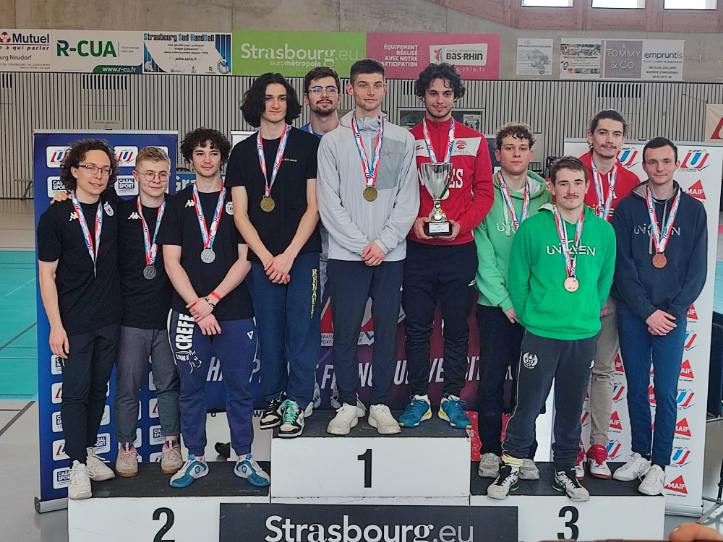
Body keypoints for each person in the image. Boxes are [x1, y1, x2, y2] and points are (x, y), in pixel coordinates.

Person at [487, 156, 615, 502]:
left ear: (587, 187)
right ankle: (511, 464)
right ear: (552, 188)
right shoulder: (533, 227)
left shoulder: (603, 231)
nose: (571, 190)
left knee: (572, 407)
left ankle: (563, 469)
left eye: (577, 183)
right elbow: (518, 277)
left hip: (582, 333)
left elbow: (603, 282)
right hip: (542, 332)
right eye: (563, 183)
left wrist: (587, 310)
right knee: (527, 404)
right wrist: (533, 316)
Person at [158, 128, 269, 488]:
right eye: (200, 153)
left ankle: (244, 456)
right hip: (188, 312)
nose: (207, 159)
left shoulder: (238, 202)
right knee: (191, 389)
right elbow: (171, 261)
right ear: (190, 159)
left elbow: (245, 260)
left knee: (239, 388)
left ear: (223, 158)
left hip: (234, 309)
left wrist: (212, 301)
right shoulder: (175, 203)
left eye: (213, 153)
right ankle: (194, 457)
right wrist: (196, 306)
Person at [317, 58, 418, 435]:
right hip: (348, 255)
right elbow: (329, 203)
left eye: (376, 85)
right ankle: (347, 401)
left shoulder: (402, 139)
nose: (370, 92)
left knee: (387, 333)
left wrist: (384, 243)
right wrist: (363, 246)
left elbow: (408, 201)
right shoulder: (333, 142)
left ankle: (379, 403)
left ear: (385, 88)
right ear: (351, 90)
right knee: (345, 331)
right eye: (362, 85)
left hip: (391, 256)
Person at [398, 62, 493, 430]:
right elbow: (395, 193)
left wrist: (460, 224)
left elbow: (484, 193)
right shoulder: (406, 140)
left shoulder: (474, 140)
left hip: (459, 249)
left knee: (456, 328)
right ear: (423, 95)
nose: (440, 100)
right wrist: (412, 224)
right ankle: (419, 397)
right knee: (418, 328)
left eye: (447, 93)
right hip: (417, 250)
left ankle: (452, 396)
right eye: (433, 92)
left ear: (456, 96)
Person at [226, 73, 321, 438]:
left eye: (282, 98)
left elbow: (313, 208)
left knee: (301, 331)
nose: (276, 104)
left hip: (302, 256)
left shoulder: (306, 145)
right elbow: (241, 213)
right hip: (261, 260)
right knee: (269, 331)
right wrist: (267, 258)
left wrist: (288, 256)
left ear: (291, 104)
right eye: (268, 98)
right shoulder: (242, 153)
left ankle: (297, 400)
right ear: (257, 103)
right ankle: (273, 397)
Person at [611, 137, 707, 496]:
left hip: (672, 315)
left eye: (666, 161)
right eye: (653, 162)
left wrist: (671, 312)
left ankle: (660, 465)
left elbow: (696, 272)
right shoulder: (627, 209)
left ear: (677, 164)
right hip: (636, 314)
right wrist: (646, 311)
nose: (660, 168)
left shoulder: (694, 211)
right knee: (636, 387)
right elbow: (623, 266)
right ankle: (639, 452)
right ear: (645, 166)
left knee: (666, 392)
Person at [37, 139, 120, 499]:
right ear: (73, 170)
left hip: (109, 320)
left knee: (99, 389)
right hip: (74, 323)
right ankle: (75, 466)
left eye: (105, 169)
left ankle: (87, 452)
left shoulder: (115, 207)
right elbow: (46, 275)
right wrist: (56, 325)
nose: (99, 175)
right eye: (91, 168)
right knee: (74, 394)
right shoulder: (55, 216)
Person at [474, 123, 551, 480]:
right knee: (491, 380)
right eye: (508, 147)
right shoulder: (484, 191)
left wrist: (528, 301)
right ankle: (489, 449)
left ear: (531, 153)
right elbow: (482, 252)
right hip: (494, 305)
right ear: (498, 152)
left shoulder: (546, 197)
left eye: (522, 147)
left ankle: (523, 451)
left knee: (529, 383)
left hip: (535, 308)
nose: (516, 153)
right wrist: (505, 300)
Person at [577, 109, 641, 479]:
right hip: (570, 291)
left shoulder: (632, 181)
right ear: (590, 136)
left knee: (602, 371)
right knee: (567, 373)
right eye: (603, 133)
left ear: (623, 140)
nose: (609, 140)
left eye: (616, 134)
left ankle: (598, 447)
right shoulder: (572, 172)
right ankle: (568, 446)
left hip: (613, 293)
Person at [114, 147, 182, 477]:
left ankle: (171, 444)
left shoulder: (180, 211)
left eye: (162, 174)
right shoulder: (118, 211)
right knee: (128, 388)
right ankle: (126, 448)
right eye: (149, 174)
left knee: (168, 385)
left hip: (168, 317)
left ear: (169, 176)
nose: (156, 180)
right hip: (130, 320)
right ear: (135, 177)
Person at [301, 66, 341, 137]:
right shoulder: (297, 139)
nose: (324, 95)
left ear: (339, 98)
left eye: (331, 89)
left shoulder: (353, 137)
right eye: (316, 90)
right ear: (306, 98)